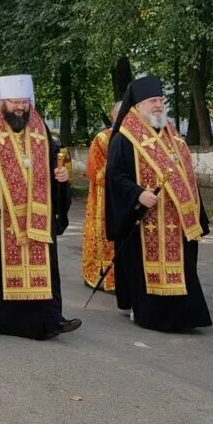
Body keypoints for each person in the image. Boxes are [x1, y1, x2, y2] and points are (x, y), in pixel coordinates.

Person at [0, 75, 80, 340]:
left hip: (37, 215)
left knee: (44, 267)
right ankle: (4, 321)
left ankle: (49, 319)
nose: (20, 108)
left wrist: (59, 179)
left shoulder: (39, 126)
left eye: (24, 102)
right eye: (15, 102)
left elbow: (52, 163)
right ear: (2, 101)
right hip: (0, 219)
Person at [105, 76, 212, 331]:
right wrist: (137, 193)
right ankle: (151, 315)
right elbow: (115, 177)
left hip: (178, 220)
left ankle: (185, 316)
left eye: (161, 100)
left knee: (184, 267)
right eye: (153, 100)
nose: (158, 105)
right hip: (147, 218)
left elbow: (187, 177)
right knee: (145, 267)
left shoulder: (172, 135)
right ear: (138, 105)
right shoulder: (124, 139)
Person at [82, 101, 122, 293]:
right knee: (104, 236)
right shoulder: (103, 138)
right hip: (104, 197)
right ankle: (101, 275)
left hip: (127, 196)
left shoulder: (135, 138)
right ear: (113, 116)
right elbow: (94, 170)